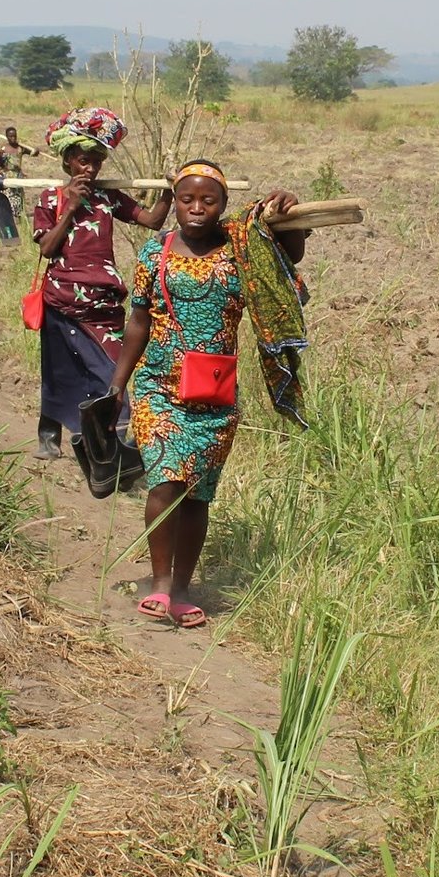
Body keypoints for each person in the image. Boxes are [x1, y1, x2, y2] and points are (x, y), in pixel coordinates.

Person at [108, 163, 305, 628]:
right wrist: (117, 384)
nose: (197, 209)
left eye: (209, 201)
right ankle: (160, 582)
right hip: (159, 384)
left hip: (215, 392)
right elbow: (138, 321)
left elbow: (285, 263)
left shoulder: (241, 248)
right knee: (166, 481)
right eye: (187, 200)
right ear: (174, 201)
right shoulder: (154, 251)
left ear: (223, 205)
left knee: (197, 494)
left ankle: (182, 587)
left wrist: (290, 213)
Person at [28, 107, 166, 460]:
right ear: (68, 161)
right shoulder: (50, 200)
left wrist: (169, 190)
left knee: (111, 372)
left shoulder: (108, 197)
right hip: (62, 302)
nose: (90, 169)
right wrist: (71, 207)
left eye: (96, 162)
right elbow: (47, 247)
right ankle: (50, 435)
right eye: (83, 161)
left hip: (104, 305)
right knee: (59, 370)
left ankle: (111, 447)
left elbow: (150, 221)